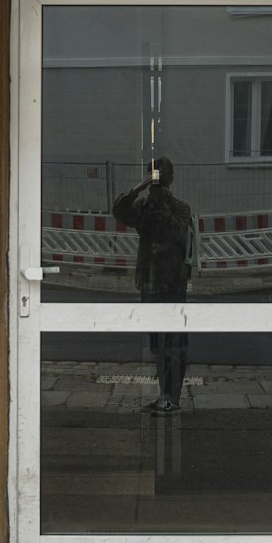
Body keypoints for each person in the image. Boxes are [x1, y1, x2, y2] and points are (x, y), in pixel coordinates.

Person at [112, 157, 195, 416]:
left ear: (169, 179)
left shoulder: (180, 207)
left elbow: (176, 232)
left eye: (157, 177)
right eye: (151, 176)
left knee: (174, 343)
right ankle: (163, 395)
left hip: (173, 284)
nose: (155, 182)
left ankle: (173, 397)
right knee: (157, 345)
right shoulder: (144, 206)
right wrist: (138, 188)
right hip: (149, 283)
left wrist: (162, 200)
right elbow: (119, 212)